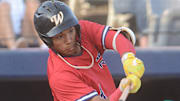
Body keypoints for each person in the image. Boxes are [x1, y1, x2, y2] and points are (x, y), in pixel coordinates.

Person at [33, 0, 145, 101]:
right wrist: (122, 89)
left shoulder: (82, 30)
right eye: (60, 36)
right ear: (48, 41)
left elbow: (118, 38)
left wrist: (128, 58)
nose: (69, 40)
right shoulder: (60, 76)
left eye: (70, 31)